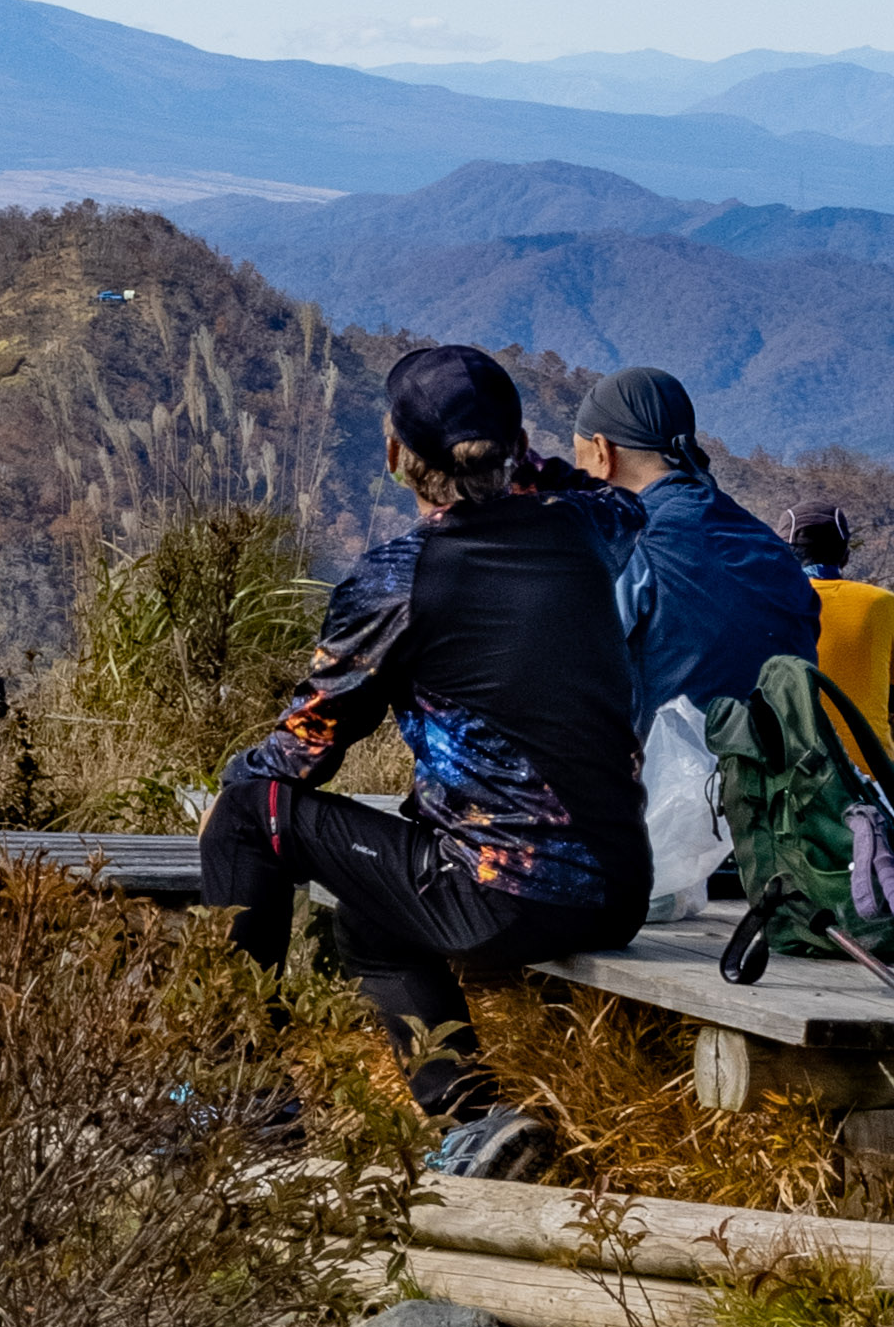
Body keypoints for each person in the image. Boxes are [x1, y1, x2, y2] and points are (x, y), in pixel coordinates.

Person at [202, 343, 648, 1145]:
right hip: (618, 887)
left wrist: (231, 786)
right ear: (517, 446)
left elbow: (307, 747)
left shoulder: (400, 579)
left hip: (499, 894)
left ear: (394, 455)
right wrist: (521, 463)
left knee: (243, 815)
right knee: (372, 920)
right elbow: (615, 497)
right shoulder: (589, 530)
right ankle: (475, 1124)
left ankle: (243, 1102)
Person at [560, 362, 822, 903]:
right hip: (779, 848)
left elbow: (565, 685)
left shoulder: (626, 542)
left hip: (660, 847)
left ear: (603, 453)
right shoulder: (771, 548)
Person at [789, 501, 894, 748]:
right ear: (845, 555)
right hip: (869, 766)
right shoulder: (884, 603)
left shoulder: (766, 603)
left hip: (790, 766)